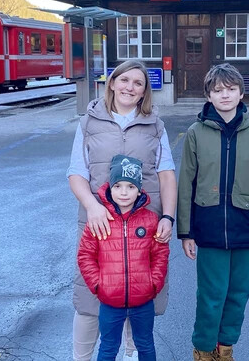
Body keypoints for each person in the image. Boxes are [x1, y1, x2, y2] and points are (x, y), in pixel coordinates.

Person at [177, 63, 249, 361]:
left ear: (241, 93)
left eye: (230, 89)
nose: (224, 95)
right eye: (218, 90)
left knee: (238, 295)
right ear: (208, 96)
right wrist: (186, 231)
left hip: (245, 226)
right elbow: (186, 183)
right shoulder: (196, 133)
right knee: (211, 295)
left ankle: (225, 349)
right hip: (209, 228)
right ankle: (203, 349)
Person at [68, 60, 177, 361]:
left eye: (138, 83)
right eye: (124, 80)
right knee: (89, 300)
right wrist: (92, 207)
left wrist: (167, 216)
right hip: (99, 222)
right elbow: (76, 173)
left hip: (143, 223)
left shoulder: (155, 126)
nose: (130, 87)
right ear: (112, 83)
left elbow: (167, 175)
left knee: (137, 294)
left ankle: (131, 354)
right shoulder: (89, 123)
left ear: (144, 91)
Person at [77, 155, 170, 361]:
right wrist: (98, 285)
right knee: (108, 348)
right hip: (109, 301)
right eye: (118, 186)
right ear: (110, 188)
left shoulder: (150, 220)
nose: (124, 192)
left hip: (143, 300)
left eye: (131, 186)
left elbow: (160, 254)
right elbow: (85, 255)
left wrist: (153, 284)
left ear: (139, 190)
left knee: (145, 344)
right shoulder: (100, 219)